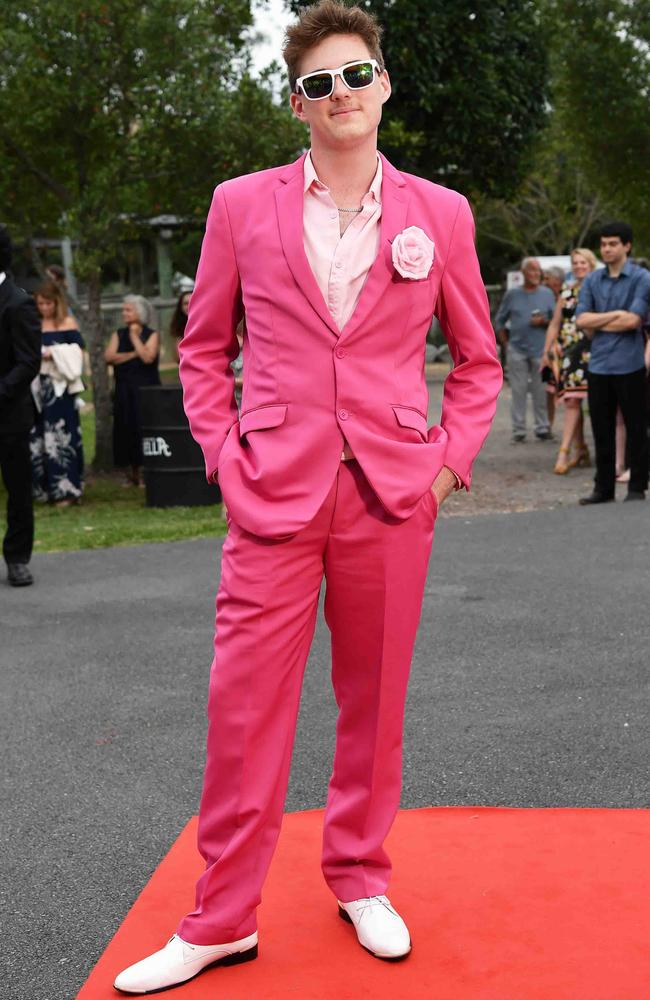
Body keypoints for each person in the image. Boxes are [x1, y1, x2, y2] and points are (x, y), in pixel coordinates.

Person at [114, 2, 502, 993]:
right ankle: (220, 917)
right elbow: (202, 348)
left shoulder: (440, 215)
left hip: (389, 494)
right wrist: (220, 453)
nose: (341, 94)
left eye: (355, 75)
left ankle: (359, 874)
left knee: (371, 707)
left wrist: (445, 464)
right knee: (242, 710)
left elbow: (476, 362)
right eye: (320, 82)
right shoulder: (238, 204)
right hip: (270, 493)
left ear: (383, 86)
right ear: (297, 103)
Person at [576, 221, 650, 504]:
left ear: (627, 246)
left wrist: (601, 319)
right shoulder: (593, 280)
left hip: (630, 364)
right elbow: (582, 319)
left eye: (612, 244)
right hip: (599, 365)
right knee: (601, 428)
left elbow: (635, 319)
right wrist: (616, 315)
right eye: (603, 244)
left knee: (636, 427)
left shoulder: (642, 278)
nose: (606, 249)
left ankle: (637, 488)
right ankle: (603, 488)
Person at [0, 225, 42, 587]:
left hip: (9, 415)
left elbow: (28, 362)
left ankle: (17, 558)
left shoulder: (18, 301)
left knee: (17, 487)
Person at [541, 248, 598, 474]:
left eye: (583, 262)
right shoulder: (567, 290)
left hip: (593, 349)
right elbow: (555, 322)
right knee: (572, 401)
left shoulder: (598, 287)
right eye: (575, 263)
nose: (578, 266)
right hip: (568, 351)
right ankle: (570, 449)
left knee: (597, 403)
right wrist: (546, 350)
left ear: (591, 264)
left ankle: (583, 449)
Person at [30, 281, 85, 505]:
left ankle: (67, 489)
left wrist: (54, 353)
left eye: (48, 303)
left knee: (63, 436)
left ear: (56, 302)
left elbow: (79, 353)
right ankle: (42, 489)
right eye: (40, 304)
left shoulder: (67, 323)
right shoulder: (34, 324)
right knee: (39, 436)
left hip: (60, 388)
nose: (44, 308)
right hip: (37, 388)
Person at [495, 258, 556, 441]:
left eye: (538, 270)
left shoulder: (547, 294)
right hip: (517, 351)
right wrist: (507, 345)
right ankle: (519, 430)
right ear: (523, 273)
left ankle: (543, 427)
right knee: (518, 390)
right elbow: (499, 321)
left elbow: (556, 322)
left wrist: (543, 322)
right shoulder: (512, 294)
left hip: (542, 352)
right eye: (532, 270)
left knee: (542, 389)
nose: (536, 274)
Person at [104, 294, 160, 487]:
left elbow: (148, 358)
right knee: (125, 428)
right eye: (123, 310)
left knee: (143, 428)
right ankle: (131, 472)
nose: (124, 313)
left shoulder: (151, 334)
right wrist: (134, 353)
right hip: (123, 390)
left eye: (128, 310)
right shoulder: (117, 334)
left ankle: (145, 472)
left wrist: (134, 337)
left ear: (140, 312)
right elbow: (109, 357)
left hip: (145, 389)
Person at [169, 290, 192, 364]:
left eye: (192, 301)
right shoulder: (178, 327)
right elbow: (178, 357)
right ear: (181, 307)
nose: (189, 305)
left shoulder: (207, 324)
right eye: (185, 303)